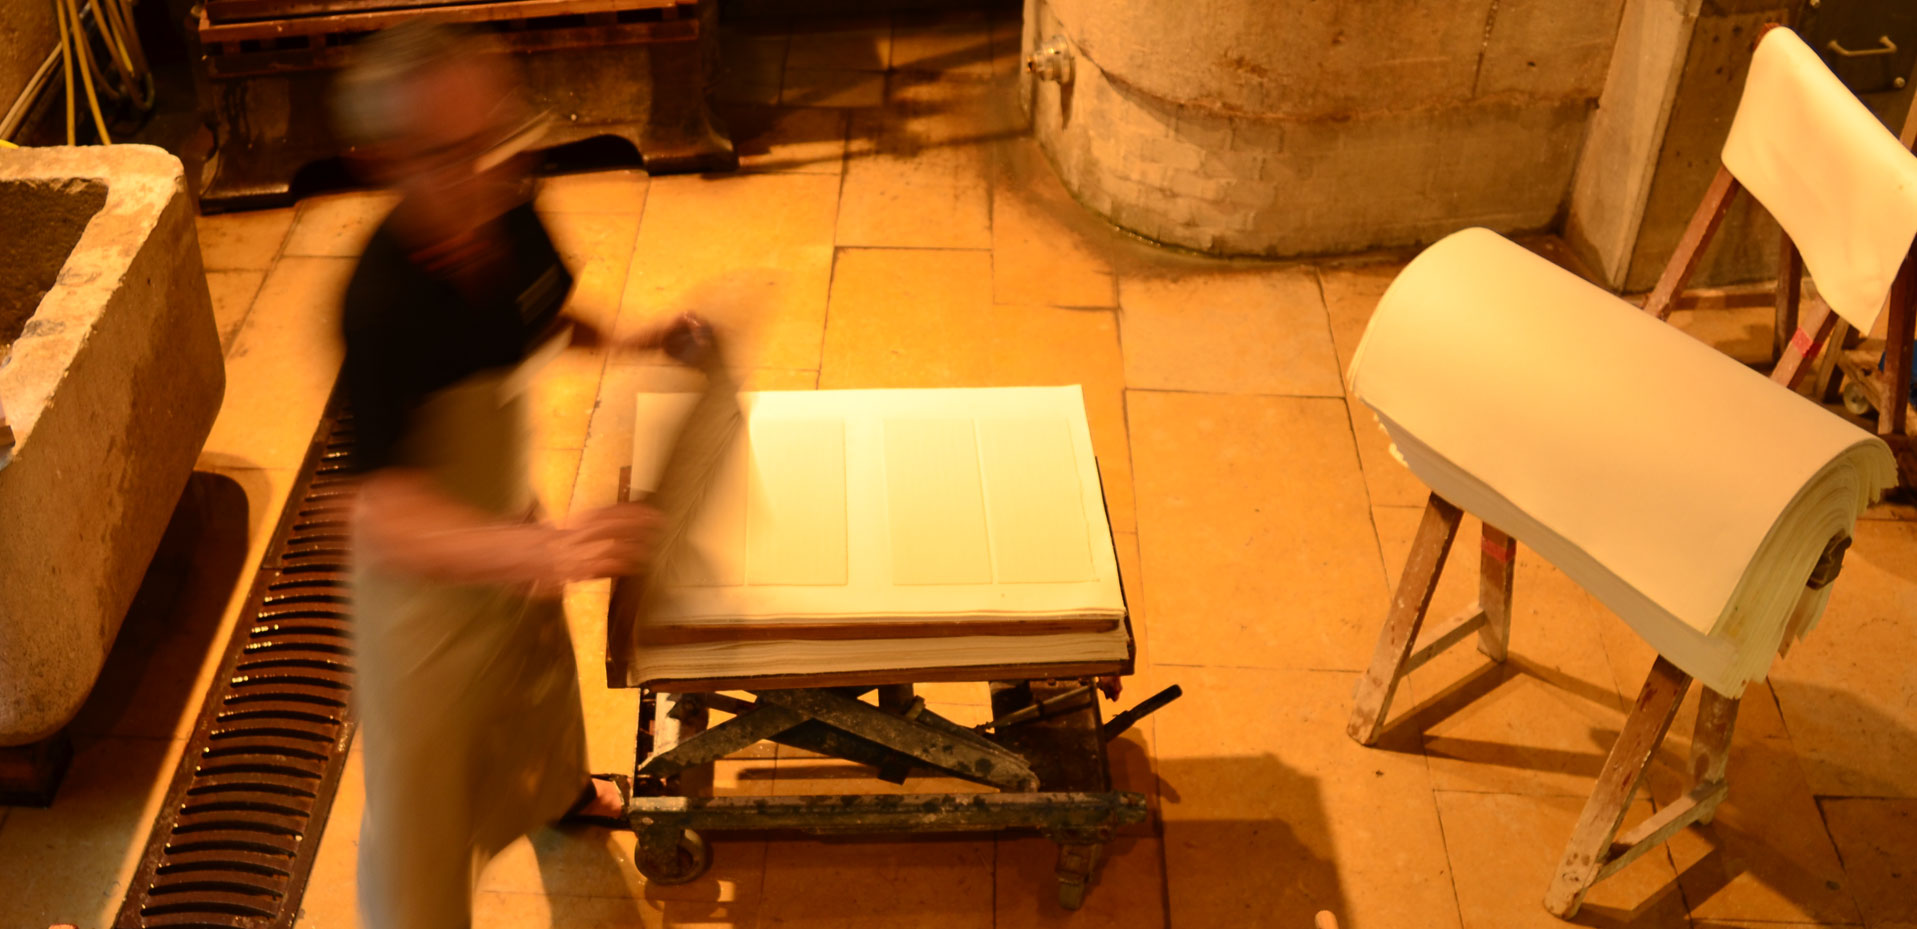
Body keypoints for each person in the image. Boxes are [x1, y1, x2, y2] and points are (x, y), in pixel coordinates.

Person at [331, 21, 703, 929]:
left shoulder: (510, 205)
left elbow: (546, 314)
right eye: (451, 153)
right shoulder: (383, 301)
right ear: (391, 162)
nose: (491, 169)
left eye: (499, 135)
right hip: (422, 594)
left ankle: (557, 792)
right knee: (421, 815)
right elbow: (378, 513)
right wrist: (545, 547)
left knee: (538, 688)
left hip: (505, 520)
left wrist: (639, 336)